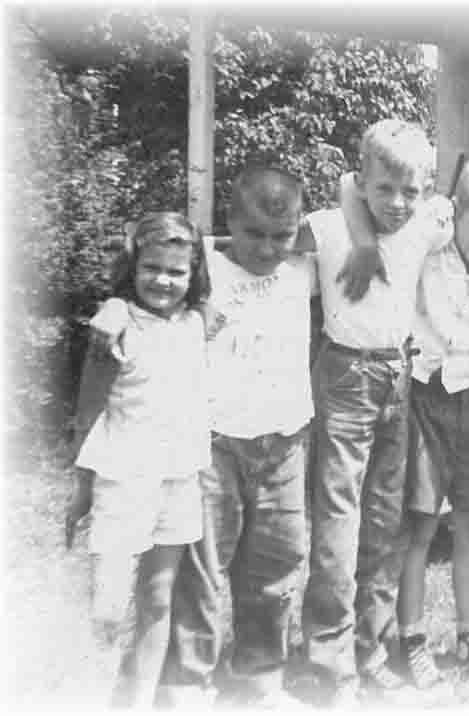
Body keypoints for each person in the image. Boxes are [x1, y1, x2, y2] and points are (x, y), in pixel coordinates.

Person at [87, 164, 318, 707]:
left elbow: (352, 209)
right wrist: (115, 307)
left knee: (277, 566)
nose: (266, 247)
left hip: (285, 444)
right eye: (253, 233)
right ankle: (188, 681)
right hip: (214, 443)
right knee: (202, 574)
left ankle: (260, 679)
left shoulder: (306, 266)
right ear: (227, 223)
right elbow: (138, 259)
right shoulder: (204, 267)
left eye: (280, 236)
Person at [301, 119, 454, 705]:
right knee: (338, 521)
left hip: (399, 377)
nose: (397, 203)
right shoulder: (330, 226)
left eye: (409, 191)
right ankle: (331, 662)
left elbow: (459, 210)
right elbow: (248, 245)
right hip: (344, 374)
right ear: (362, 181)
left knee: (384, 521)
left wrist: (389, 225)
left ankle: (372, 649)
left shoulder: (423, 226)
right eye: (384, 189)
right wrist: (361, 239)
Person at [364, 157, 469, 688]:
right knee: (420, 525)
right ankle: (410, 637)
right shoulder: (431, 238)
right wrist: (437, 207)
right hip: (427, 397)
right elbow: (358, 190)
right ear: (457, 213)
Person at [66, 212, 211, 708]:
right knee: (107, 608)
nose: (163, 280)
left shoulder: (197, 322)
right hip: (123, 479)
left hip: (178, 478)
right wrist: (80, 487)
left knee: (157, 598)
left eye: (177, 271)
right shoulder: (118, 324)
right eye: (152, 268)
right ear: (133, 268)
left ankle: (136, 700)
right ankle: (91, 689)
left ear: (193, 275)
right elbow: (89, 408)